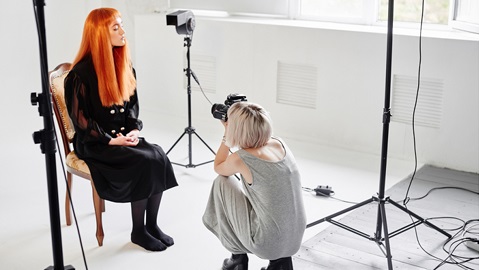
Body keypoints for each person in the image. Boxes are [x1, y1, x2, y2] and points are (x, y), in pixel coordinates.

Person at [64, 7, 178, 252]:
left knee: (157, 155)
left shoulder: (123, 64)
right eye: (115, 28)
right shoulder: (78, 75)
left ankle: (152, 225)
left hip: (122, 135)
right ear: (100, 35)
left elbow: (131, 105)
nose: (123, 31)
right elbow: (80, 121)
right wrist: (109, 141)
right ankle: (138, 231)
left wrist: (133, 129)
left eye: (121, 25)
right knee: (143, 162)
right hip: (95, 143)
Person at [202, 101, 307, 270]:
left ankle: (237, 259)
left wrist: (227, 134)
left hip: (267, 244)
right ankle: (280, 265)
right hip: (295, 240)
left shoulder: (242, 158)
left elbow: (218, 167)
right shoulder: (279, 143)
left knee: (222, 182)